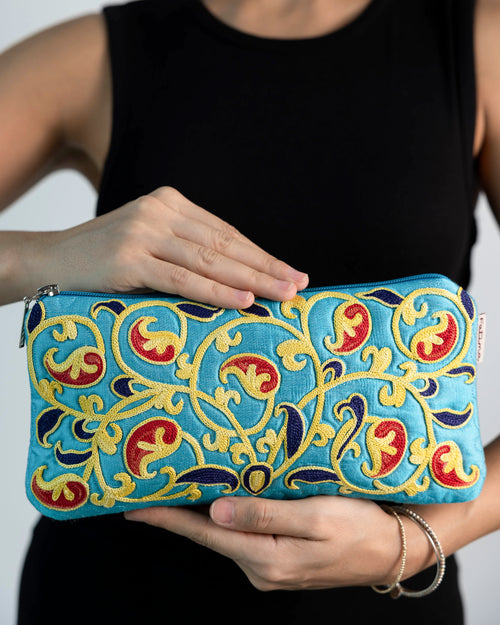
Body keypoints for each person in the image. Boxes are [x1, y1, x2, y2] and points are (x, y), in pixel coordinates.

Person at [1, 0, 500, 623]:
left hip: (390, 601)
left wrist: (414, 543)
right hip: (107, 594)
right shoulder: (92, 57)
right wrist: (43, 256)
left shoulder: (477, 42)